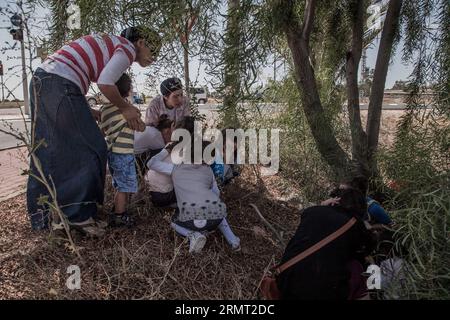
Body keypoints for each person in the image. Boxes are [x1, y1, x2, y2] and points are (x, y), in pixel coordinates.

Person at [27, 26, 161, 235]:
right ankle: (77, 216)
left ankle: (41, 219)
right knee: (93, 148)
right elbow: (105, 82)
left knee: (45, 149)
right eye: (154, 51)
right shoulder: (127, 48)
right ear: (141, 43)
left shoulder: (111, 44)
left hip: (43, 80)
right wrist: (125, 107)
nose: (155, 57)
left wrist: (86, 109)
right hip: (60, 82)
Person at [277, 188, 374, 300]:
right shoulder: (356, 226)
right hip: (324, 292)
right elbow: (366, 250)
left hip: (286, 280)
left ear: (337, 200)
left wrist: (323, 205)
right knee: (357, 268)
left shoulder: (311, 211)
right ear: (361, 209)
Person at [170, 141, 241, 254]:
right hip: (215, 218)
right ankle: (233, 241)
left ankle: (193, 235)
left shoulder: (176, 168)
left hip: (191, 220)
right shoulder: (208, 170)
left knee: (173, 221)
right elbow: (216, 193)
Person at [100, 74, 139, 227]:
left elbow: (103, 130)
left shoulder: (104, 109)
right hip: (124, 152)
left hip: (112, 151)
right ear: (128, 90)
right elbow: (139, 126)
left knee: (119, 183)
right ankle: (119, 215)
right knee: (124, 185)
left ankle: (118, 208)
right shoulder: (127, 108)